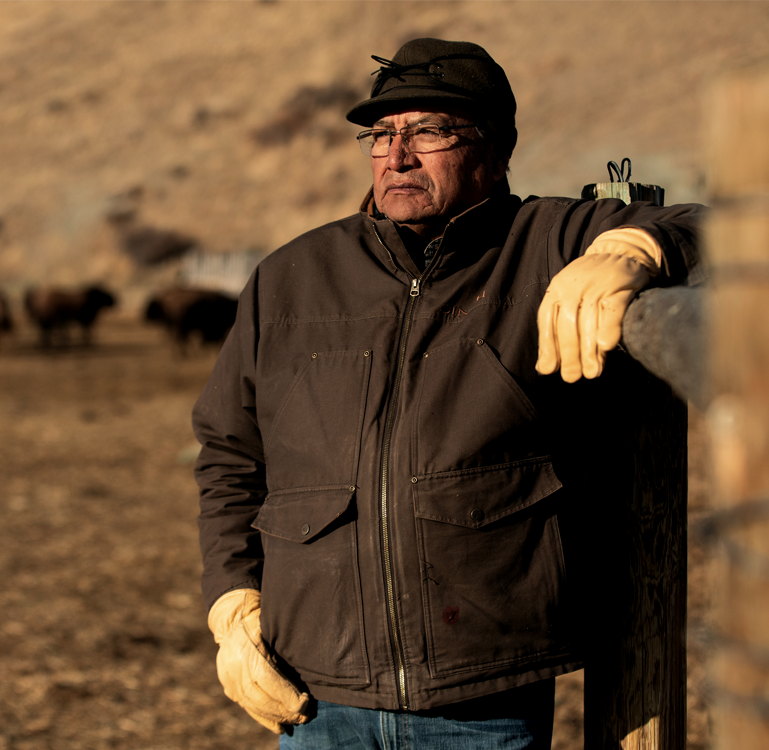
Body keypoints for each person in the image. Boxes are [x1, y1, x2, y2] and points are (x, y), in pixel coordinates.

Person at [193, 38, 703, 749]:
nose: (396, 156)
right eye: (381, 134)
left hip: (484, 698)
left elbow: (724, 228)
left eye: (429, 131)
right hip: (314, 695)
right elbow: (229, 453)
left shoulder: (544, 240)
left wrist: (636, 249)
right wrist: (231, 602)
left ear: (494, 151)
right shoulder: (291, 276)